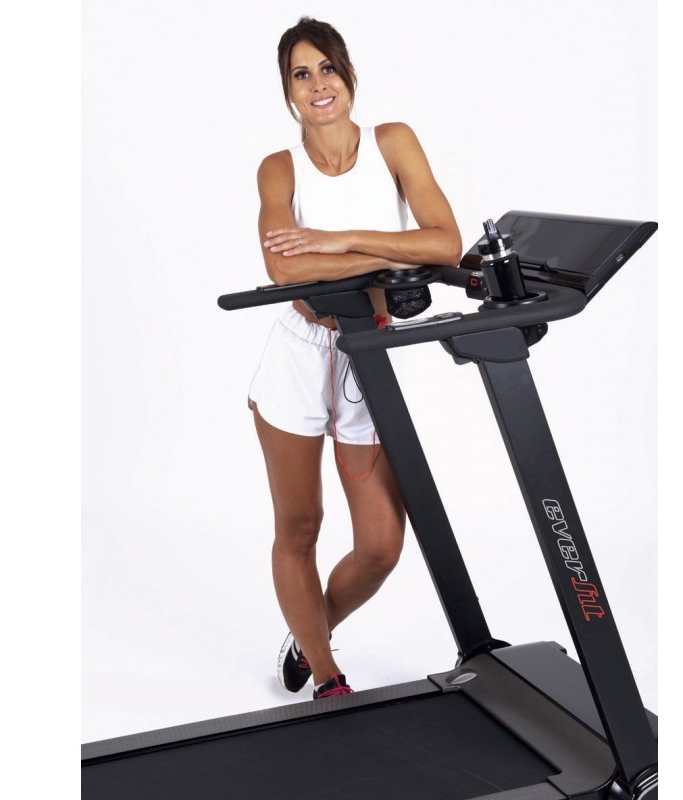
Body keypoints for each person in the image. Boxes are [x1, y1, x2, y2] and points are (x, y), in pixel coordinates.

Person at [249, 17, 462, 700]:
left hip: (366, 350)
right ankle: (327, 676)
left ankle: (308, 630)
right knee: (300, 526)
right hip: (299, 353)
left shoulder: (393, 143)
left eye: (327, 68)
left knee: (380, 545)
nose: (318, 85)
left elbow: (446, 243)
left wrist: (337, 240)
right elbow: (285, 272)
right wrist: (389, 257)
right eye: (301, 74)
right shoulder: (279, 168)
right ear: (288, 90)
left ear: (349, 75)